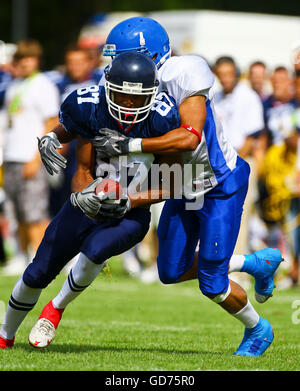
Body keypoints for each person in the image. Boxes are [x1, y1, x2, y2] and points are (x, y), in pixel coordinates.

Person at [69, 17, 282, 356]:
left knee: (212, 283)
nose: (116, 68)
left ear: (150, 56)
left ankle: (259, 329)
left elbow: (189, 136)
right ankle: (255, 263)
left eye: (121, 59)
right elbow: (85, 118)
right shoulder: (126, 87)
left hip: (218, 183)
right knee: (171, 270)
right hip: (181, 182)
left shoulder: (182, 72)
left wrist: (129, 147)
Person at [0, 51, 181, 349]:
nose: (130, 104)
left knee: (96, 250)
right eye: (122, 96)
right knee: (38, 271)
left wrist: (129, 201)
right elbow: (83, 170)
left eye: (138, 98)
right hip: (89, 201)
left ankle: (54, 309)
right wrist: (85, 195)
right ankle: (5, 334)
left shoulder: (163, 118)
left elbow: (176, 182)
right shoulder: (90, 109)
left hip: (132, 212)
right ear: (108, 87)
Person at [2, 40, 60, 273]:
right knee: (17, 212)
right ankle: (22, 255)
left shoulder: (43, 85)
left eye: (28, 58)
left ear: (36, 60)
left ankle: (44, 257)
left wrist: (38, 158)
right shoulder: (15, 85)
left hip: (30, 155)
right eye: (20, 58)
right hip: (12, 155)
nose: (24, 63)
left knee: (35, 212)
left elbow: (51, 123)